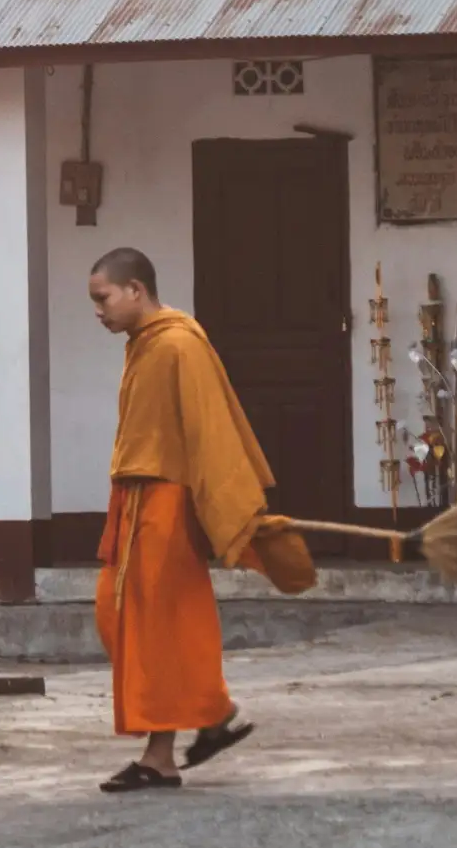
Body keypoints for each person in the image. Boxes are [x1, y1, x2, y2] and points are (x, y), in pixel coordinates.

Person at [87, 247, 316, 793]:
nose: (98, 310)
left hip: (164, 503)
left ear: (136, 290)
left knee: (158, 624)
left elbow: (211, 433)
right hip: (137, 501)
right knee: (127, 618)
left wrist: (233, 508)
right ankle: (210, 713)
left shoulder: (178, 344)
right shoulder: (145, 344)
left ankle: (161, 755)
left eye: (103, 298)